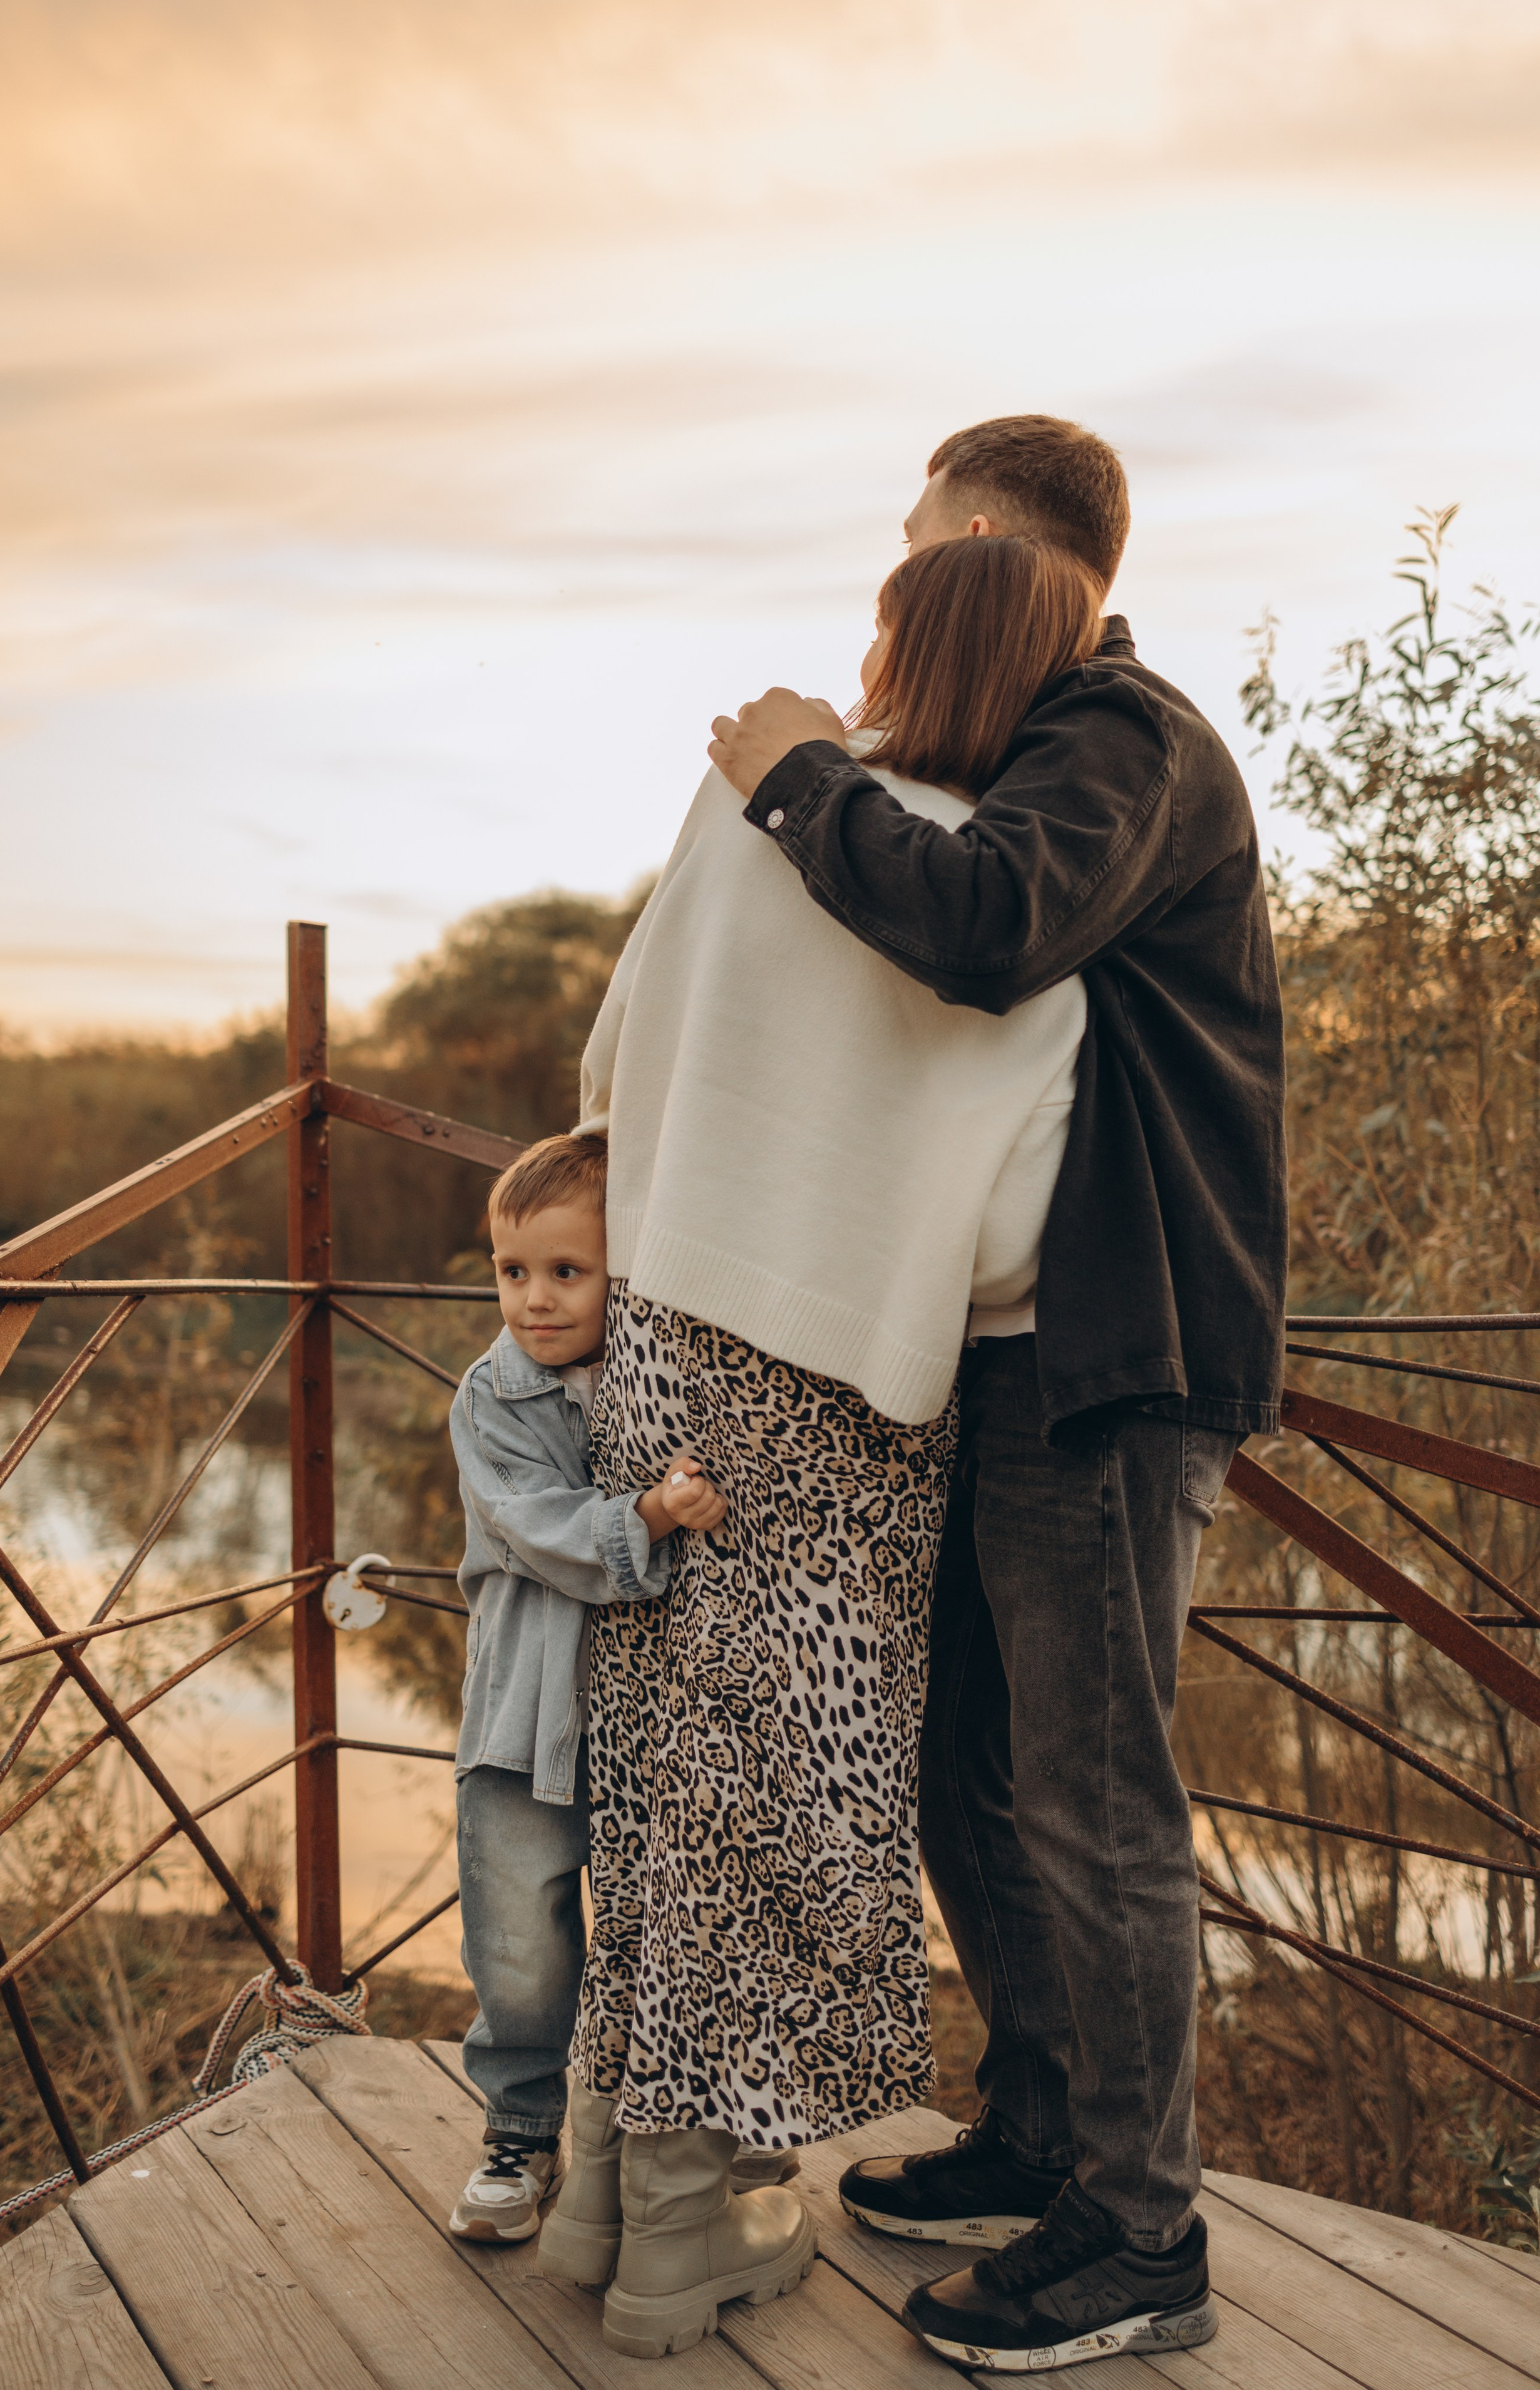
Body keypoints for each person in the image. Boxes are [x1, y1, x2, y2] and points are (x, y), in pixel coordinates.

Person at [707, 413, 1288, 2374]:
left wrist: (795, 775)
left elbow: (985, 931)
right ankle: (1043, 2123)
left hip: (1119, 1355)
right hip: (999, 1347)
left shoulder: (1131, 742)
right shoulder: (1038, 746)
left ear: (983, 540)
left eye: (917, 536)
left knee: (1098, 1791)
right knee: (970, 1750)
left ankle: (1142, 2234)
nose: (903, 566)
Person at [537, 531, 1102, 2362]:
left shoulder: (744, 825)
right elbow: (1010, 1239)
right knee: (776, 1811)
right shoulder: (1012, 934)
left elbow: (612, 1074)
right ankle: (682, 2240)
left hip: (662, 1341)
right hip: (838, 1407)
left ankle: (606, 2201)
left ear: (885, 641)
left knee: (656, 1771)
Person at [445, 1131, 726, 2244]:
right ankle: (520, 2132)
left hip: (641, 1719)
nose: (536, 1298)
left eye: (569, 1271)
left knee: (657, 1920)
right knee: (518, 1940)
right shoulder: (491, 1398)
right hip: (524, 1716)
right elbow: (538, 1532)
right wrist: (651, 1515)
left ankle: (665, 2136)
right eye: (514, 1271)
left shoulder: (664, 1379)